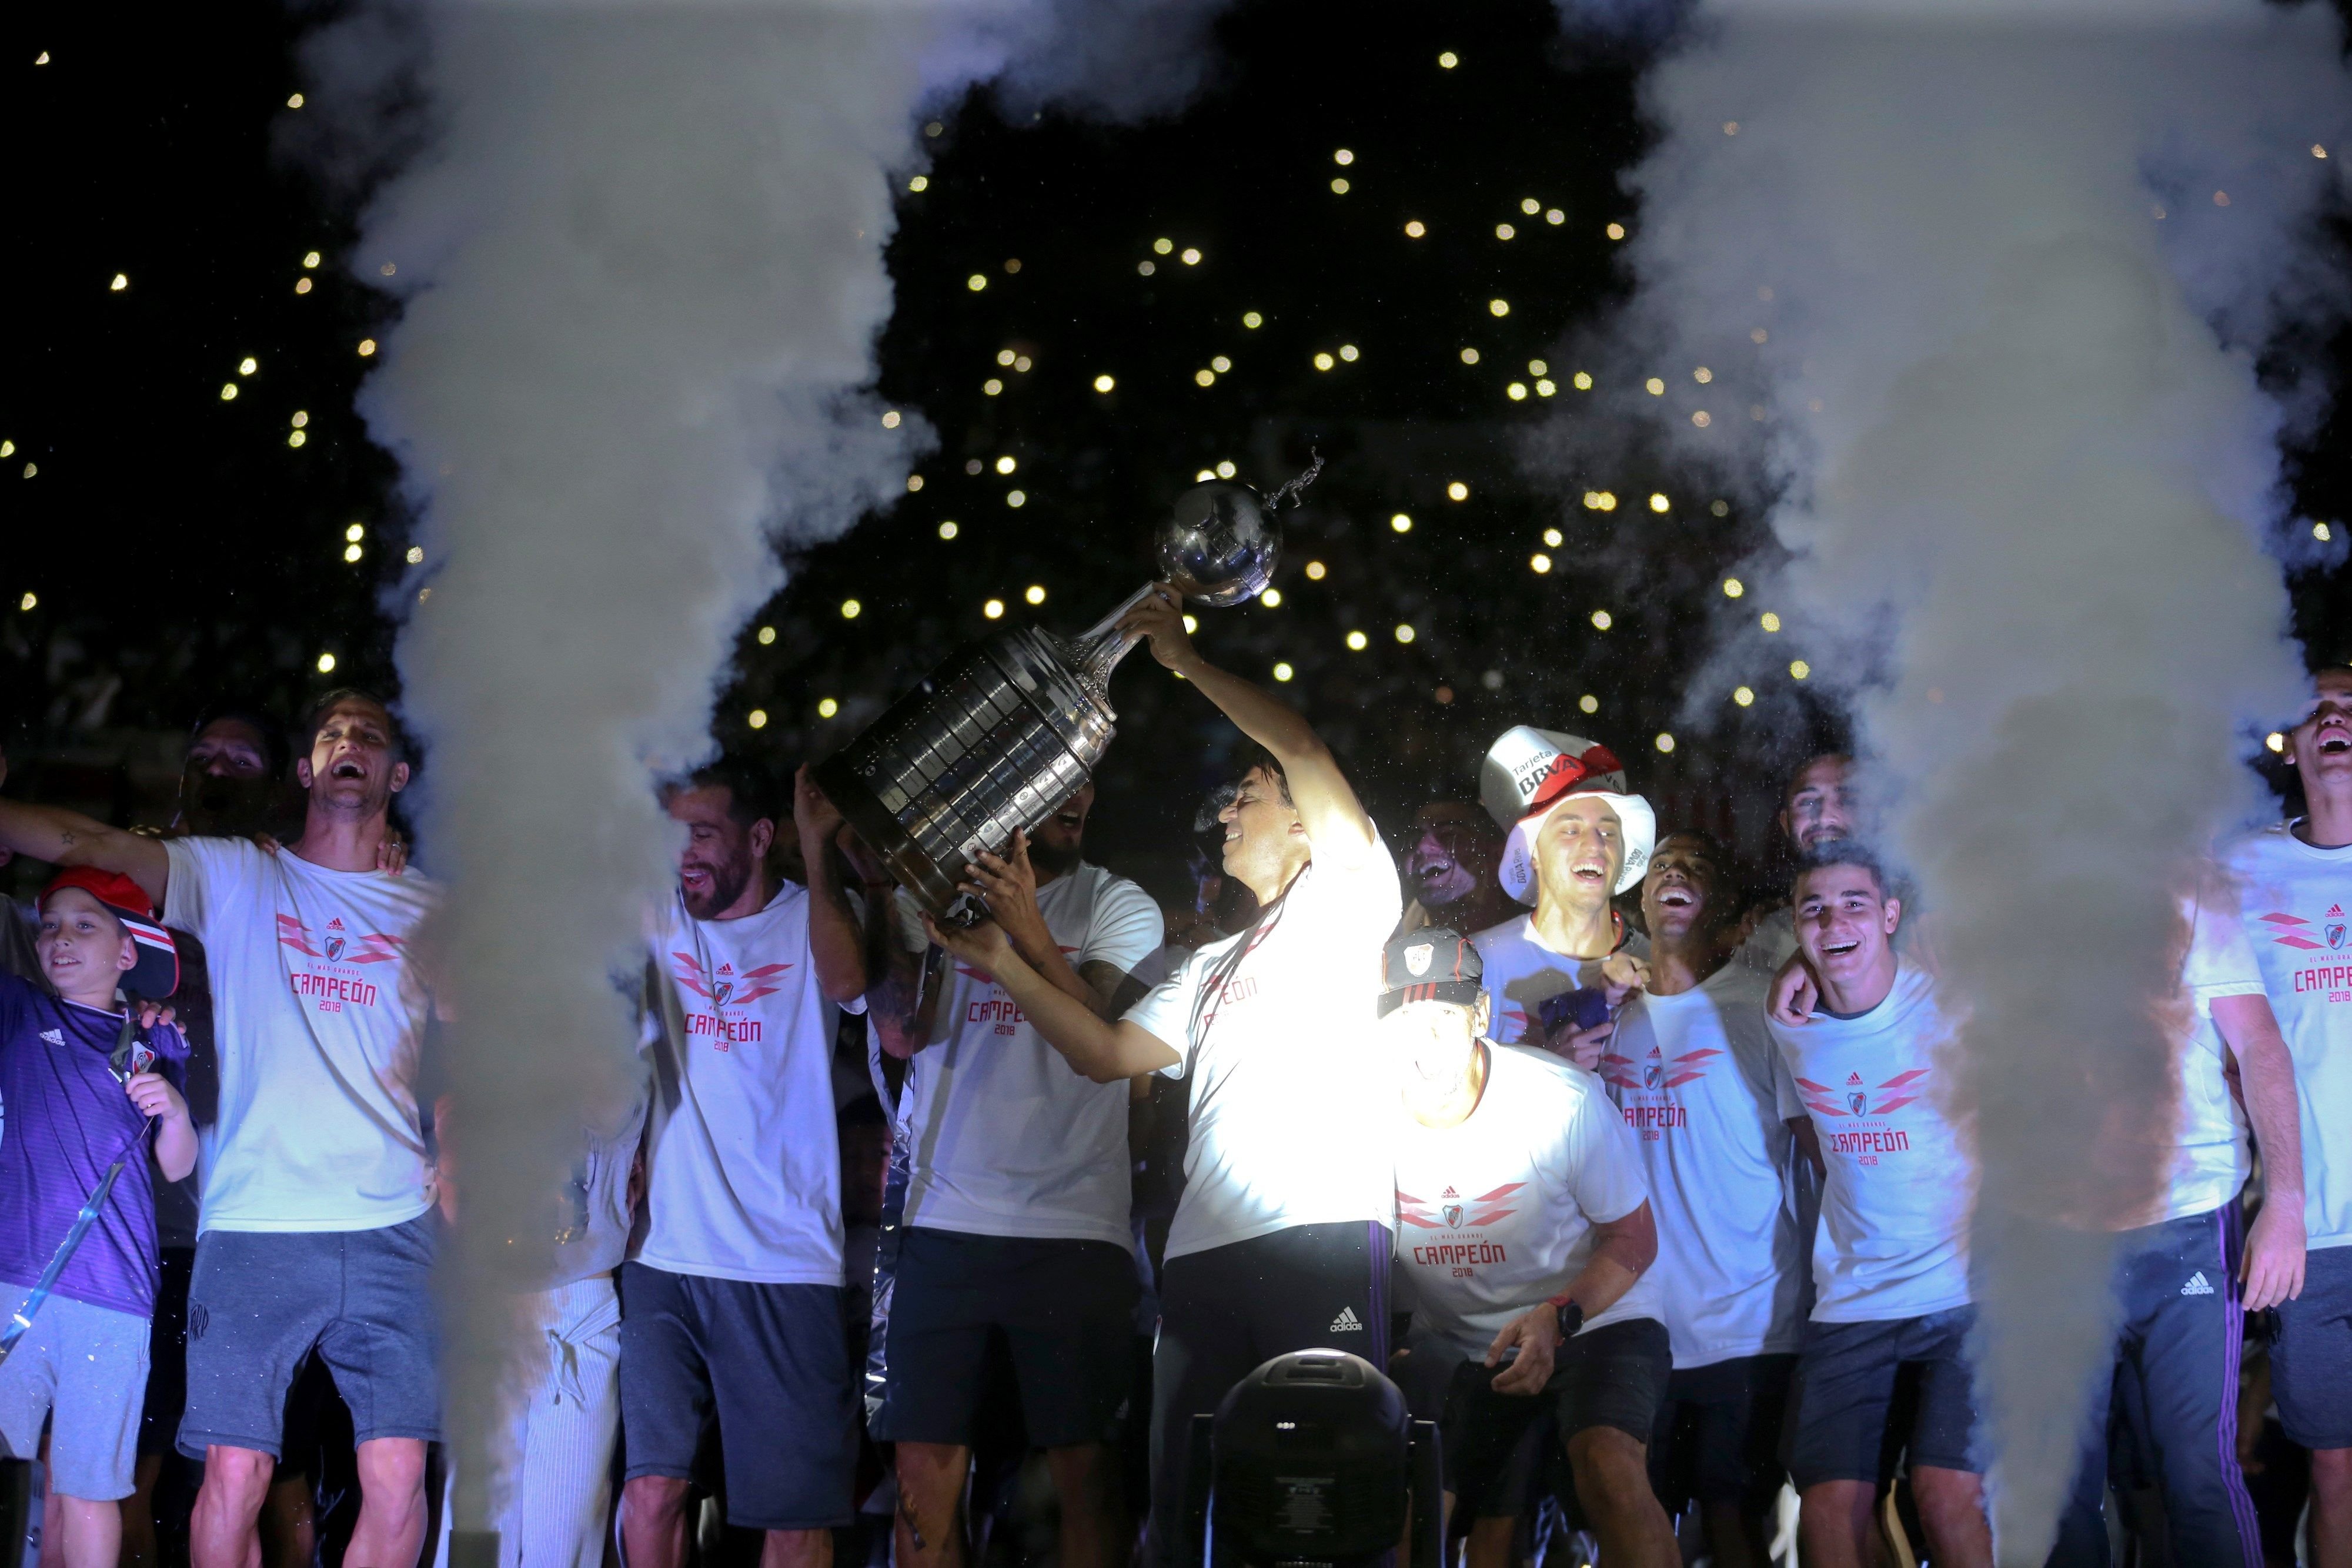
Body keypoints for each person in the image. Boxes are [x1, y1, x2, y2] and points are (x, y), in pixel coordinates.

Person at [920, 583, 1399, 1564]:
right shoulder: (1206, 964)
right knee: (1187, 1498)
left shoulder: (1350, 898)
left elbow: (1304, 750)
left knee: (1327, 1497)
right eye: (1232, 796)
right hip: (1201, 1254)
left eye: (1249, 796)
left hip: (1320, 1236)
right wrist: (1003, 960)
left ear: (1306, 825)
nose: (1228, 810)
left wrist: (1184, 663)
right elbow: (1104, 1054)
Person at [0, 690, 445, 1568]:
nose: (347, 741)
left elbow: (487, 1023)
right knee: (232, 1473)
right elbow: (90, 846)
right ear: (305, 771)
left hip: (394, 1221)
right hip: (253, 1221)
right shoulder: (241, 872)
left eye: (369, 734)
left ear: (396, 773)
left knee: (397, 1472)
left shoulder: (428, 904)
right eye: (330, 733)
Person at [867, 782, 1162, 1568]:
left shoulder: (1120, 903)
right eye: (1058, 776)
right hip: (943, 1218)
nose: (1080, 793)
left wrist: (1023, 931)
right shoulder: (932, 895)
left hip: (1076, 1224)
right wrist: (894, 901)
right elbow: (899, 1030)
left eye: (1090, 777)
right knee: (922, 1473)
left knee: (1085, 1473)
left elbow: (1104, 1040)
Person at [622, 758, 867, 1568]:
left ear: (760, 838)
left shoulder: (813, 918)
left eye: (701, 833)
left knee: (794, 1520)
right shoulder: (658, 914)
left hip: (783, 1259)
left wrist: (818, 848)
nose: (680, 853)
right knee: (652, 1489)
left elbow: (850, 981)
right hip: (665, 1254)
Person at [1381, 926, 1677, 1567]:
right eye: (1404, 1019)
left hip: (1594, 1319)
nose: (1421, 1044)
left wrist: (1559, 1315)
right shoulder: (1363, 1116)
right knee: (1407, 1506)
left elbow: (1634, 1239)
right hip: (1465, 1342)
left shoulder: (1558, 1099)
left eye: (1441, 1018)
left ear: (1480, 1015)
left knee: (1608, 1466)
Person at [1768, 846, 1990, 1568]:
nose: (1834, 922)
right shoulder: (1788, 1024)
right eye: (1814, 910)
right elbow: (1812, 1139)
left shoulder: (1954, 1003)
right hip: (1853, 1298)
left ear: (1891, 915)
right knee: (1826, 1510)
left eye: (1855, 905)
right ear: (1795, 929)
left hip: (1964, 1294)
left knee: (1943, 1493)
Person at [1602, 833, 1803, 1567]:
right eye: (1659, 867)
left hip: (1746, 1326)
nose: (1674, 873)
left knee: (1732, 1526)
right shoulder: (1609, 1016)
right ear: (1641, 902)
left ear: (1724, 912)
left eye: (1697, 866)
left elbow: (1819, 1158)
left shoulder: (1762, 1011)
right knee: (1640, 1530)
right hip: (1638, 1329)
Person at [0, 871, 194, 1568]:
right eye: (50, 925)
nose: (59, 940)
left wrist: (171, 1109)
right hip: (12, 1285)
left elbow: (177, 1164)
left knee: (88, 1486)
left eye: (86, 926)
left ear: (127, 951)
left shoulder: (156, 1042)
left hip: (115, 1296)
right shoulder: (18, 1010)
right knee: (7, 1475)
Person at [2228, 666, 2352, 1568]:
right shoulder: (2243, 868)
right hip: (2313, 1227)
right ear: (2292, 740)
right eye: (2318, 709)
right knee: (2337, 1467)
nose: (2336, 718)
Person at [1466, 727, 1655, 1061]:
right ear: (1533, 854)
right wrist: (1550, 1067)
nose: (1595, 844)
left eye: (1608, 831)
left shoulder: (1657, 970)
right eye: (1571, 829)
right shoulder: (1480, 962)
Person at [1738, 753, 1855, 973]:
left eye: (1847, 800)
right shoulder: (1768, 937)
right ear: (1786, 823)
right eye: (1808, 802)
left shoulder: (1921, 915)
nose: (1824, 817)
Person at [1398, 801, 1513, 940]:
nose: (1422, 846)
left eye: (1448, 835)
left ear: (1497, 856)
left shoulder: (1531, 946)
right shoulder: (1386, 947)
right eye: (1414, 840)